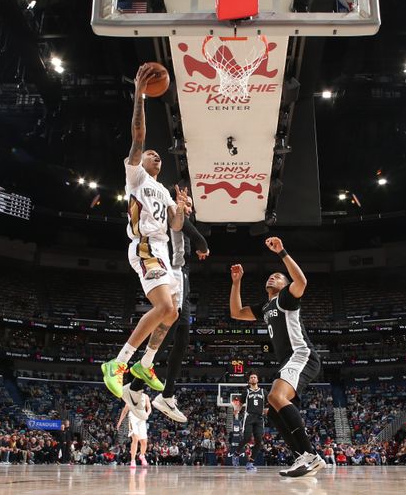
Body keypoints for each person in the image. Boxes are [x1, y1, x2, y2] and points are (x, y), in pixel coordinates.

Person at [101, 63, 188, 399]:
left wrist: (180, 211)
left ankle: (146, 362)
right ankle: (119, 363)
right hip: (145, 246)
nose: (156, 156)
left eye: (159, 156)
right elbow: (138, 136)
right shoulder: (135, 176)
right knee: (164, 306)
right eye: (152, 154)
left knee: (174, 312)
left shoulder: (164, 191)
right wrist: (139, 94)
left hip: (163, 248)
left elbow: (176, 226)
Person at [229, 237, 326, 478]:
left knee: (274, 396)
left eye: (277, 276)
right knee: (271, 409)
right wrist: (236, 282)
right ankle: (301, 457)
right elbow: (236, 313)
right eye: (270, 276)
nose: (272, 277)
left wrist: (282, 252)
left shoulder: (287, 298)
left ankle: (311, 455)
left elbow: (301, 281)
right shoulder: (265, 306)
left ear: (284, 284)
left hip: (302, 354)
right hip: (288, 361)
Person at [123, 196, 210, 423]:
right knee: (169, 333)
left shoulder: (180, 218)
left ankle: (166, 395)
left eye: (191, 204)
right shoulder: (175, 215)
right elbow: (195, 237)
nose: (188, 207)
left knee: (181, 339)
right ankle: (135, 386)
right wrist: (203, 245)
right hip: (173, 273)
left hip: (183, 276)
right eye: (186, 202)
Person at [234, 372, 268, 471]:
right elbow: (240, 404)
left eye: (255, 377)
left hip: (259, 418)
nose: (253, 378)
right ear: (249, 381)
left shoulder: (263, 392)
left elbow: (267, 405)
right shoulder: (246, 392)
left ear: (257, 380)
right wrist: (237, 410)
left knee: (259, 441)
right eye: (251, 377)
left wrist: (267, 412)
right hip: (249, 417)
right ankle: (236, 454)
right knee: (247, 438)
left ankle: (250, 462)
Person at [117, 393, 151, 468]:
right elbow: (125, 411)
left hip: (142, 418)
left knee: (144, 442)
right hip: (133, 418)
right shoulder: (130, 397)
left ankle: (142, 456)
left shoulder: (145, 396)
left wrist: (147, 414)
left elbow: (149, 408)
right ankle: (133, 460)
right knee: (135, 438)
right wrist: (120, 421)